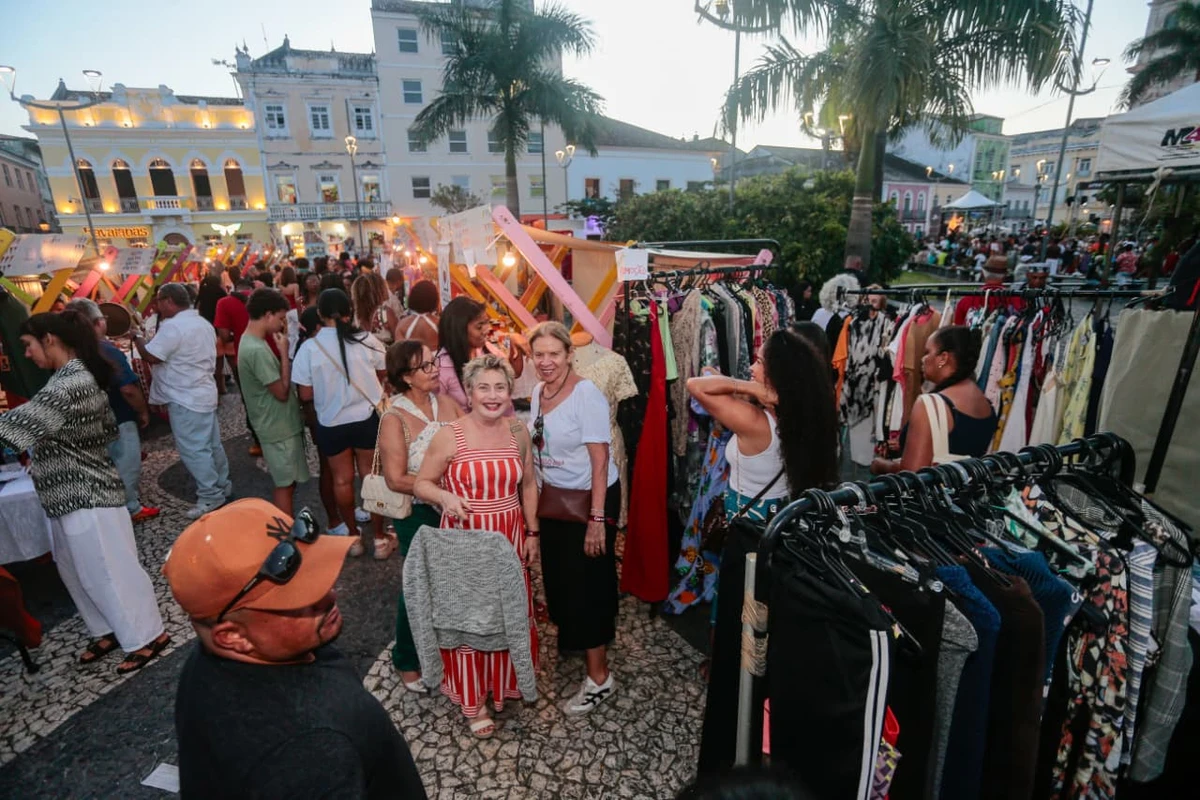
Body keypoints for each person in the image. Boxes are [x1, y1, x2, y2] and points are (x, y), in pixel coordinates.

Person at [165, 499, 427, 799]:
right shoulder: (305, 751)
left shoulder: (224, 661)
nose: (330, 593)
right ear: (233, 637)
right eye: (299, 598)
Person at [0, 310, 168, 672]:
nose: (26, 354)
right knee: (78, 571)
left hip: (86, 492)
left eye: (28, 345)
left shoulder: (68, 384)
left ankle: (147, 635)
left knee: (107, 570)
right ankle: (107, 629)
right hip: (69, 492)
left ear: (50, 340)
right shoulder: (70, 378)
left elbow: (11, 429)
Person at [413, 354, 539, 738]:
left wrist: (532, 533)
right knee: (468, 618)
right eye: (483, 387)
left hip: (508, 535)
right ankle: (474, 701)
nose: (492, 394)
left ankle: (503, 686)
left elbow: (529, 484)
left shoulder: (518, 431)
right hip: (465, 537)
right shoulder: (450, 434)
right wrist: (444, 498)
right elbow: (421, 483)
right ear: (468, 391)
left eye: (500, 387)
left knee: (505, 613)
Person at [526, 322, 621, 714]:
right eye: (539, 355)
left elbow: (600, 460)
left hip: (589, 500)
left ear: (569, 355)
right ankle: (577, 637)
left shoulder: (587, 395)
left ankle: (600, 678)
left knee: (587, 584)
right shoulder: (537, 392)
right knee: (560, 576)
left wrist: (596, 519)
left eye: (554, 354)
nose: (546, 362)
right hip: (555, 500)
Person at [378, 339, 462, 691]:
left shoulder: (447, 403)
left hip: (455, 507)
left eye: (435, 362)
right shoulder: (393, 419)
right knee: (419, 585)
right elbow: (395, 478)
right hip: (417, 514)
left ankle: (449, 646)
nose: (436, 370)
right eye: (426, 366)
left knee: (453, 580)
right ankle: (407, 658)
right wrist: (436, 491)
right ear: (406, 377)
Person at [688, 329, 839, 524]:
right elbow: (707, 372)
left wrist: (749, 387)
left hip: (746, 521)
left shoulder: (755, 421)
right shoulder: (799, 414)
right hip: (777, 514)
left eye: (759, 362)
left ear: (777, 372)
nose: (751, 367)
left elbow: (695, 385)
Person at [292, 289, 396, 560]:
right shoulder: (365, 339)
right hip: (366, 418)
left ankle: (353, 538)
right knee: (372, 478)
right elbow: (384, 370)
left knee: (342, 480)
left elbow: (304, 394)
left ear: (320, 314)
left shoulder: (309, 349)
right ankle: (381, 538)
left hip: (331, 421)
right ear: (349, 312)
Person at [131, 283, 230, 519]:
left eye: (158, 301)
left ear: (168, 301)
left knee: (194, 450)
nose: (156, 306)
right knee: (211, 445)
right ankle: (222, 485)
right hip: (202, 392)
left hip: (185, 396)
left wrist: (137, 338)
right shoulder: (201, 322)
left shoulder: (174, 327)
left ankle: (210, 495)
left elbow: (151, 355)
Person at [66, 299, 159, 523]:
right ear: (98, 323)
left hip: (87, 420)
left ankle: (112, 507)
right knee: (126, 464)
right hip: (118, 415)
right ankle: (131, 508)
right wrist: (143, 411)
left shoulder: (69, 351)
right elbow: (128, 388)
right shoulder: (106, 350)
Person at [871, 326, 997, 473]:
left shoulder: (930, 405)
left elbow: (912, 475)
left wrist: (880, 465)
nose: (922, 360)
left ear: (943, 358)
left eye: (927, 353)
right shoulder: (985, 404)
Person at [239, 288, 310, 516]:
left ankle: (287, 530)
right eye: (280, 319)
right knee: (285, 484)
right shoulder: (256, 349)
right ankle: (286, 534)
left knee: (287, 482)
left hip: (276, 424)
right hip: (277, 427)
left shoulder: (251, 342)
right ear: (267, 315)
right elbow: (281, 391)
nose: (282, 325)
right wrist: (284, 353)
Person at [295, 306, 348, 534]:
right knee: (330, 469)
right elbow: (305, 394)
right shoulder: (308, 348)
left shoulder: (309, 347)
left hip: (327, 416)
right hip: (321, 417)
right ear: (318, 327)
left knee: (338, 470)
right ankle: (334, 519)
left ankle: (342, 515)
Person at [436, 296, 524, 411]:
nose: (487, 329)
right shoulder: (443, 367)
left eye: (487, 322)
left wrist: (516, 347)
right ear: (459, 330)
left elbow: (513, 373)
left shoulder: (486, 349)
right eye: (479, 326)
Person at [394, 279, 440, 352]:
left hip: (409, 362)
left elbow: (398, 353)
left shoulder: (402, 325)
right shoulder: (439, 324)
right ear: (434, 299)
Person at [352, 271, 396, 346]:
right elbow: (399, 341)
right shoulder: (385, 313)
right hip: (384, 355)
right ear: (378, 290)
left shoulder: (357, 315)